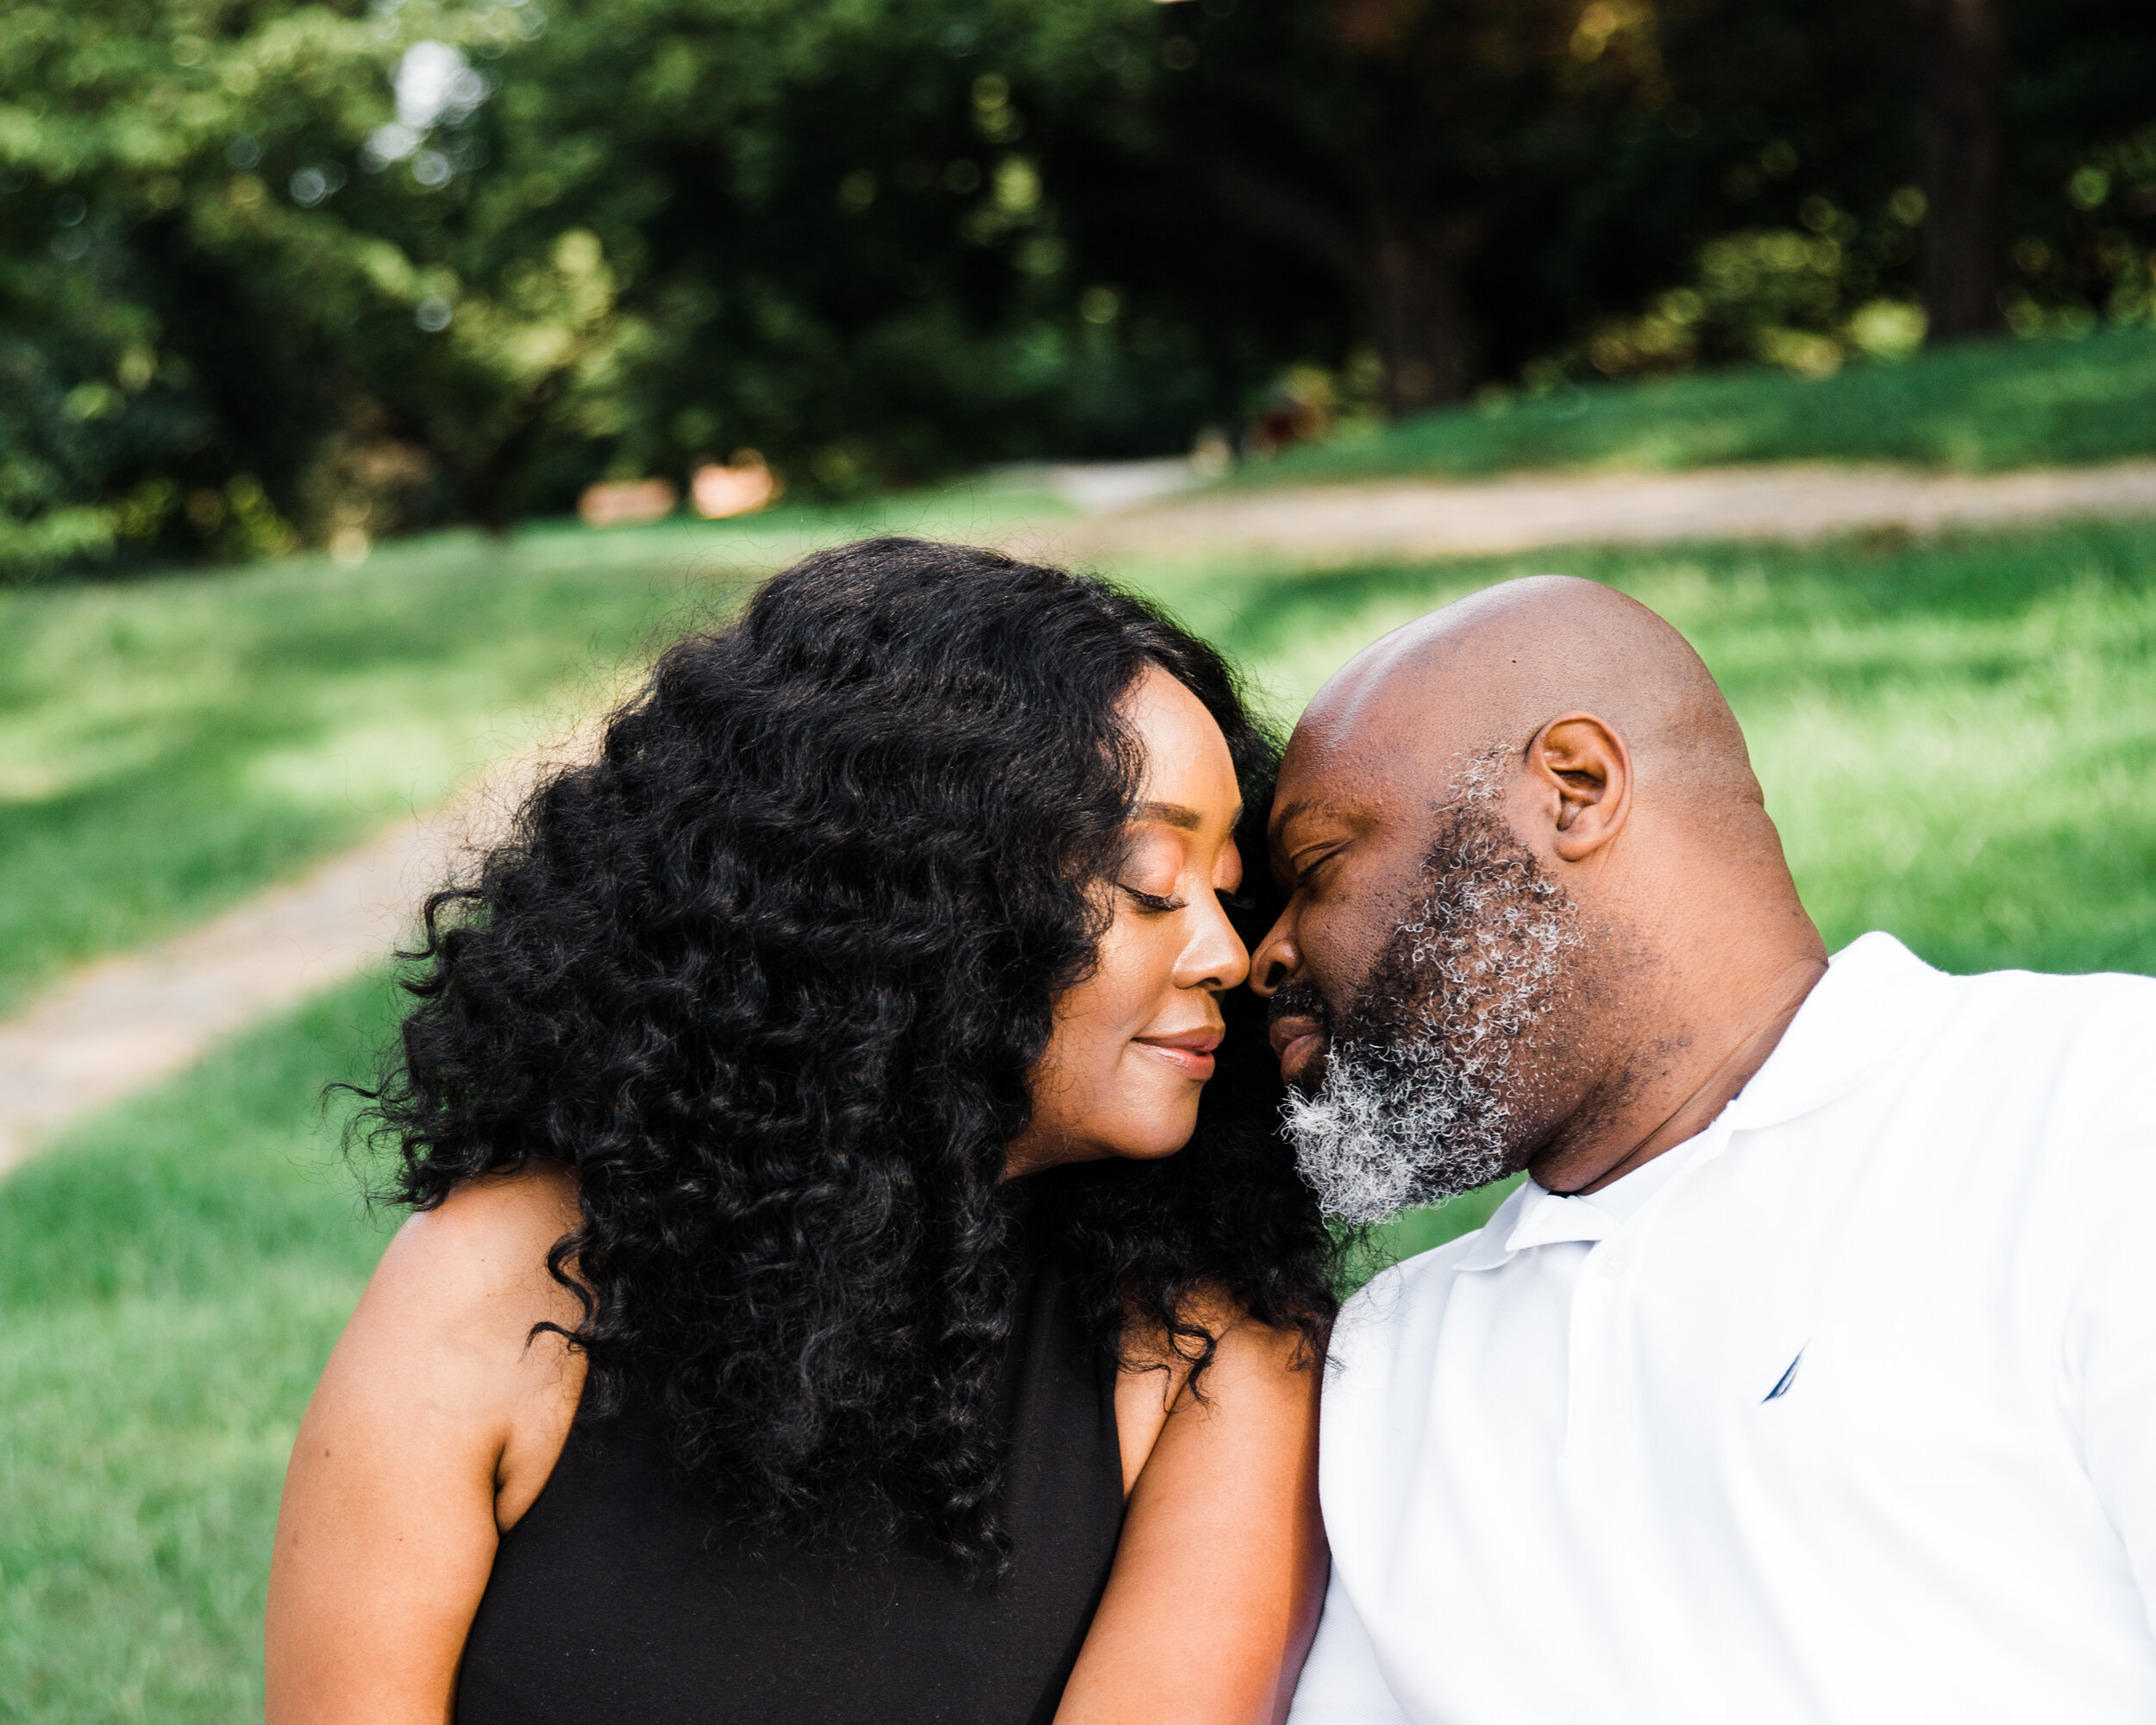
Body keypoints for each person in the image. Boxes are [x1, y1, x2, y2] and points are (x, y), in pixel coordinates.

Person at [265, 538, 1336, 1725]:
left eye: (1227, 885)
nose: (1228, 954)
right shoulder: (497, 1282)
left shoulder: (1211, 1350)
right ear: (914, 904)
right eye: (1146, 879)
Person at [1257, 574, 2156, 1723]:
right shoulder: (1392, 1356)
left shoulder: (2096, 1108)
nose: (1262, 957)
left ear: (1574, 789)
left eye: (1319, 865)